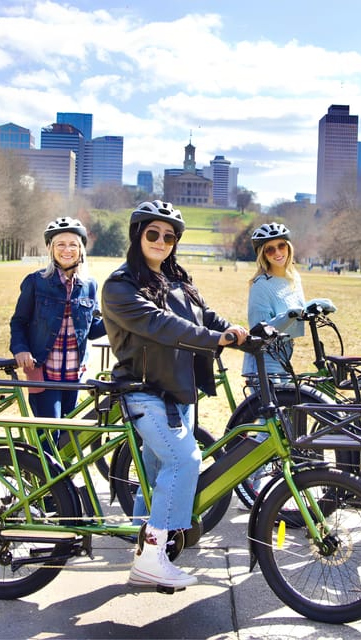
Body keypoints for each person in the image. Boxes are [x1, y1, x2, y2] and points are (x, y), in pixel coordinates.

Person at [101, 200, 248, 590]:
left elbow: (204, 314)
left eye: (170, 236)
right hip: (145, 393)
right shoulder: (121, 285)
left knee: (154, 475)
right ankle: (152, 558)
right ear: (138, 235)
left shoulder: (176, 279)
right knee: (185, 461)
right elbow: (160, 324)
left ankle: (147, 550)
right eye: (153, 233)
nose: (161, 241)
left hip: (180, 393)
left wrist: (237, 330)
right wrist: (216, 339)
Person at [10, 217, 105, 426]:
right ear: (50, 249)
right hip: (43, 371)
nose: (67, 250)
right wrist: (20, 349)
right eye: (60, 244)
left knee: (67, 437)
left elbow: (91, 330)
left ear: (81, 250)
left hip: (74, 373)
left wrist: (117, 319)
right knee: (50, 434)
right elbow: (18, 322)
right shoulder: (36, 282)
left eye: (73, 244)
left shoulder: (90, 285)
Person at [241, 222, 334, 380]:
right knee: (276, 403)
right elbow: (259, 331)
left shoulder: (293, 277)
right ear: (263, 254)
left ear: (288, 247)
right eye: (270, 249)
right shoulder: (260, 285)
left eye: (281, 246)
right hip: (265, 358)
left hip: (285, 353)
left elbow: (297, 310)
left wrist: (314, 306)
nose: (277, 252)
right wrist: (288, 316)